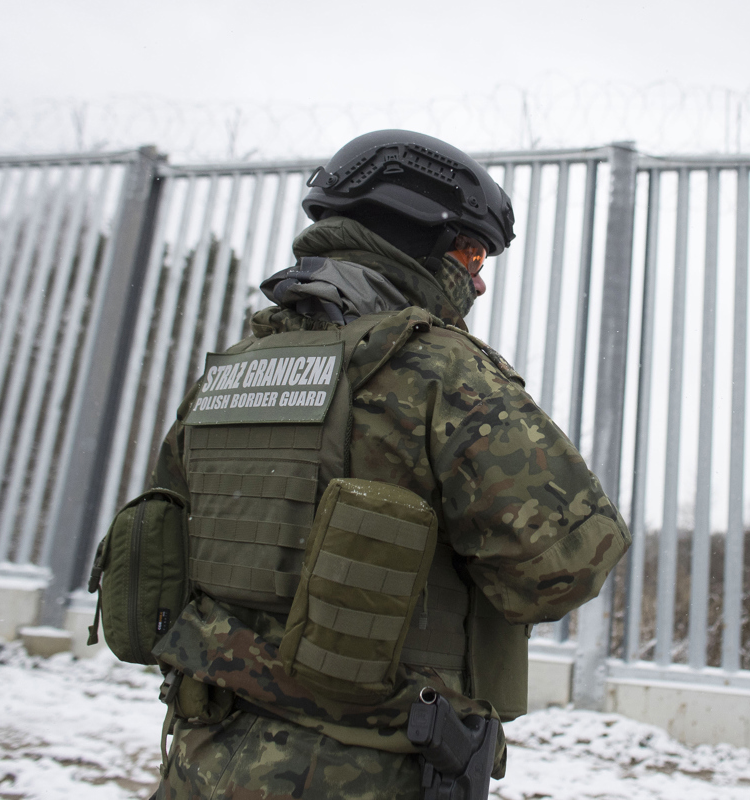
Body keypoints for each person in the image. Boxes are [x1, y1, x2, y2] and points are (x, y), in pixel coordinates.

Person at [145, 129, 630, 799]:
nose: (479, 279)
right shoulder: (443, 373)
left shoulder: (230, 371)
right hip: (362, 772)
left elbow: (172, 544)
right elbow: (564, 570)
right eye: (471, 252)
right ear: (414, 233)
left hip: (201, 758)